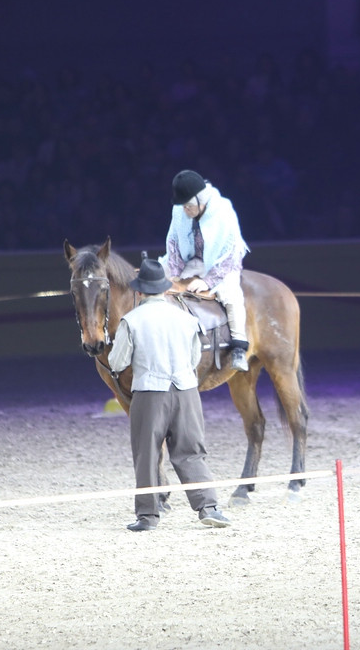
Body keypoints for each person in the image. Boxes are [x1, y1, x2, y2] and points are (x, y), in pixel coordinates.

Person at [107, 257, 231, 531]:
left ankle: (148, 515)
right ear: (164, 289)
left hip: (150, 393)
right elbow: (195, 356)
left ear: (139, 292)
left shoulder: (131, 320)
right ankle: (208, 507)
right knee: (191, 451)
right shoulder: (186, 318)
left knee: (147, 454)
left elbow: (117, 362)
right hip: (186, 391)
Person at [159, 169, 251, 372]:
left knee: (231, 294)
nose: (185, 211)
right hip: (190, 261)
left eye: (189, 206)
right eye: (183, 206)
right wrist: (173, 272)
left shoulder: (224, 210)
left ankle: (238, 346)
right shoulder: (180, 210)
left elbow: (231, 253)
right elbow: (173, 241)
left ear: (201, 201)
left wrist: (208, 282)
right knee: (155, 278)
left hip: (221, 265)